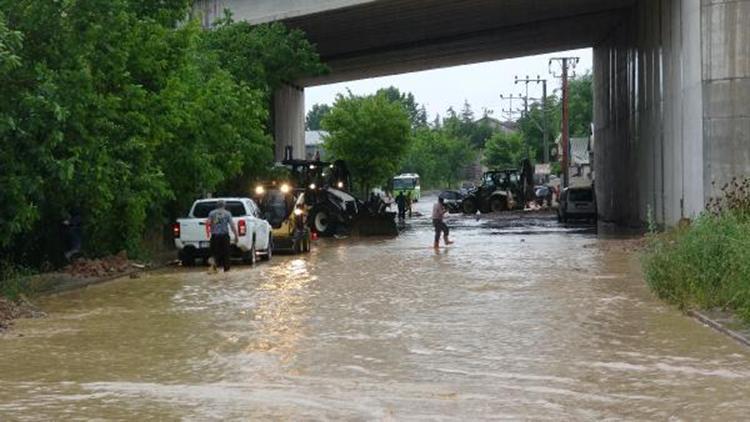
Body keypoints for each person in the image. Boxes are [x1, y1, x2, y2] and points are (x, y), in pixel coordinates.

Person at [207, 200, 239, 273]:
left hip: (215, 236)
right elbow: (232, 225)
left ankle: (214, 268)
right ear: (224, 206)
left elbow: (208, 223)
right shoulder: (227, 213)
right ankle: (226, 271)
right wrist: (236, 235)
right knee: (226, 254)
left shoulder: (212, 213)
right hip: (224, 237)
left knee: (214, 253)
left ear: (217, 205)